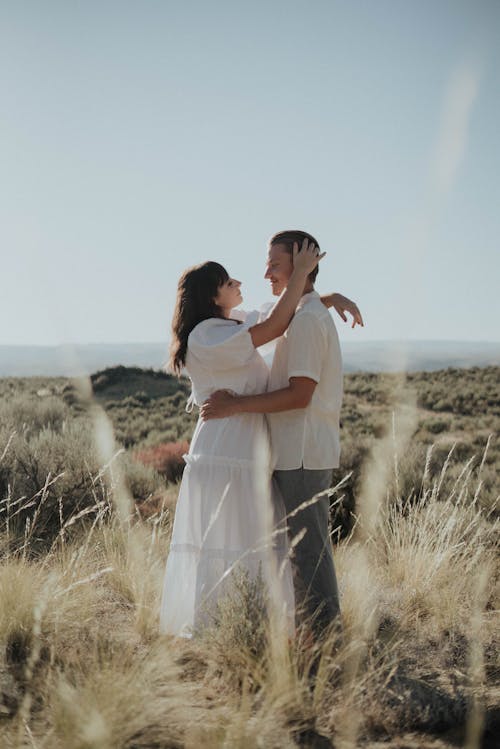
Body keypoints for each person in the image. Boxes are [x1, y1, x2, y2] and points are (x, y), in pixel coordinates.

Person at [201, 230, 363, 640]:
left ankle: (326, 643)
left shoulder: (306, 320)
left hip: (303, 452)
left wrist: (234, 407)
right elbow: (280, 314)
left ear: (301, 266)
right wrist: (330, 295)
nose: (266, 272)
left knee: (309, 552)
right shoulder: (302, 313)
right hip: (292, 452)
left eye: (275, 263)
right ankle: (311, 636)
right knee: (299, 551)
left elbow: (300, 395)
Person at [159, 240, 324, 637]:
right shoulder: (206, 335)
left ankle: (253, 626)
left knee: (252, 533)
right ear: (211, 295)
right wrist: (300, 271)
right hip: (227, 444)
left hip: (248, 440)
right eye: (227, 280)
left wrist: (328, 298)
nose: (238, 282)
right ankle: (219, 628)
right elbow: (275, 324)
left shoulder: (231, 323)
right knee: (230, 534)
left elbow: (279, 310)